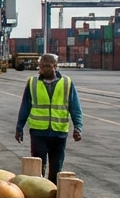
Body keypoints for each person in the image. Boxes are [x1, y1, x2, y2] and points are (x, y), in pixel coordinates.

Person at [15, 53, 83, 183]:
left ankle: (53, 192)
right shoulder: (32, 82)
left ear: (55, 66)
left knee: (56, 169)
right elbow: (25, 106)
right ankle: (38, 192)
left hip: (59, 133)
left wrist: (78, 127)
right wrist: (19, 128)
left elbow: (75, 107)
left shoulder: (67, 83)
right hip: (38, 133)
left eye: (47, 66)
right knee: (37, 169)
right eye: (41, 66)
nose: (43, 69)